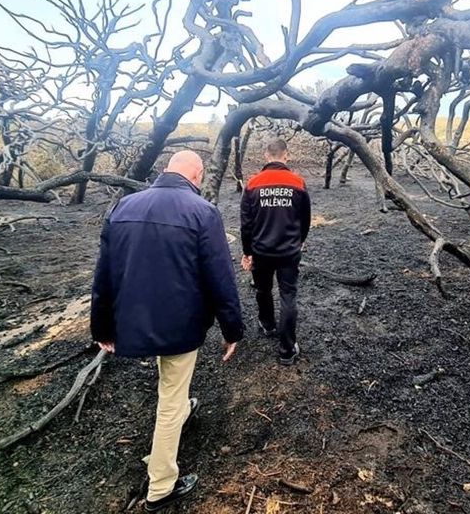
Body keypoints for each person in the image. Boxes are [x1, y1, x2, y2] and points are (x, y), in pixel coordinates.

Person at [90, 150, 244, 512]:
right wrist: (232, 329)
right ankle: (161, 486)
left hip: (135, 320)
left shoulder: (123, 207)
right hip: (180, 324)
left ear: (166, 170)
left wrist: (101, 326)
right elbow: (220, 278)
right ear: (197, 174)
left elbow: (103, 277)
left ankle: (183, 412)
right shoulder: (202, 212)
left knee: (172, 387)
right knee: (171, 399)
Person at [240, 138, 311, 366]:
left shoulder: (252, 184)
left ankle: (268, 324)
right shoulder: (298, 183)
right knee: (288, 296)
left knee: (263, 289)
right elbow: (305, 219)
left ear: (265, 156)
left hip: (261, 251)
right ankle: (287, 350)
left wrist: (247, 252)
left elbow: (246, 224)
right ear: (286, 155)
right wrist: (299, 241)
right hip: (289, 252)